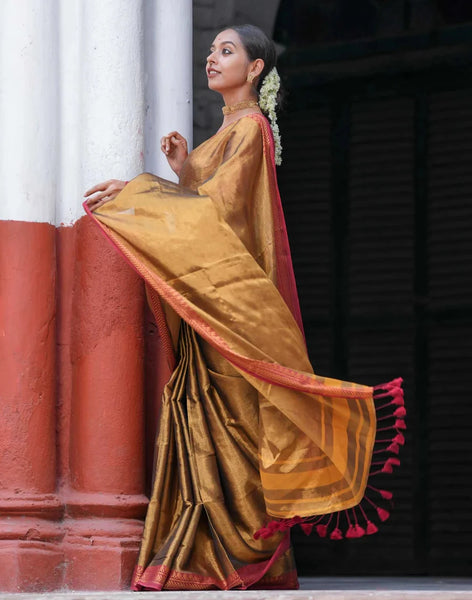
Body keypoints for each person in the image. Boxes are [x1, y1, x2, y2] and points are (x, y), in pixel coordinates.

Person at [83, 24, 404, 591]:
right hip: (217, 304)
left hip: (234, 302)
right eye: (210, 51)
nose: (212, 58)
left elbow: (221, 213)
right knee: (219, 420)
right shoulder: (231, 130)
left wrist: (137, 192)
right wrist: (183, 171)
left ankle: (238, 555)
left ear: (255, 69)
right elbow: (206, 200)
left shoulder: (252, 127)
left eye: (226, 51)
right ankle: (217, 556)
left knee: (238, 422)